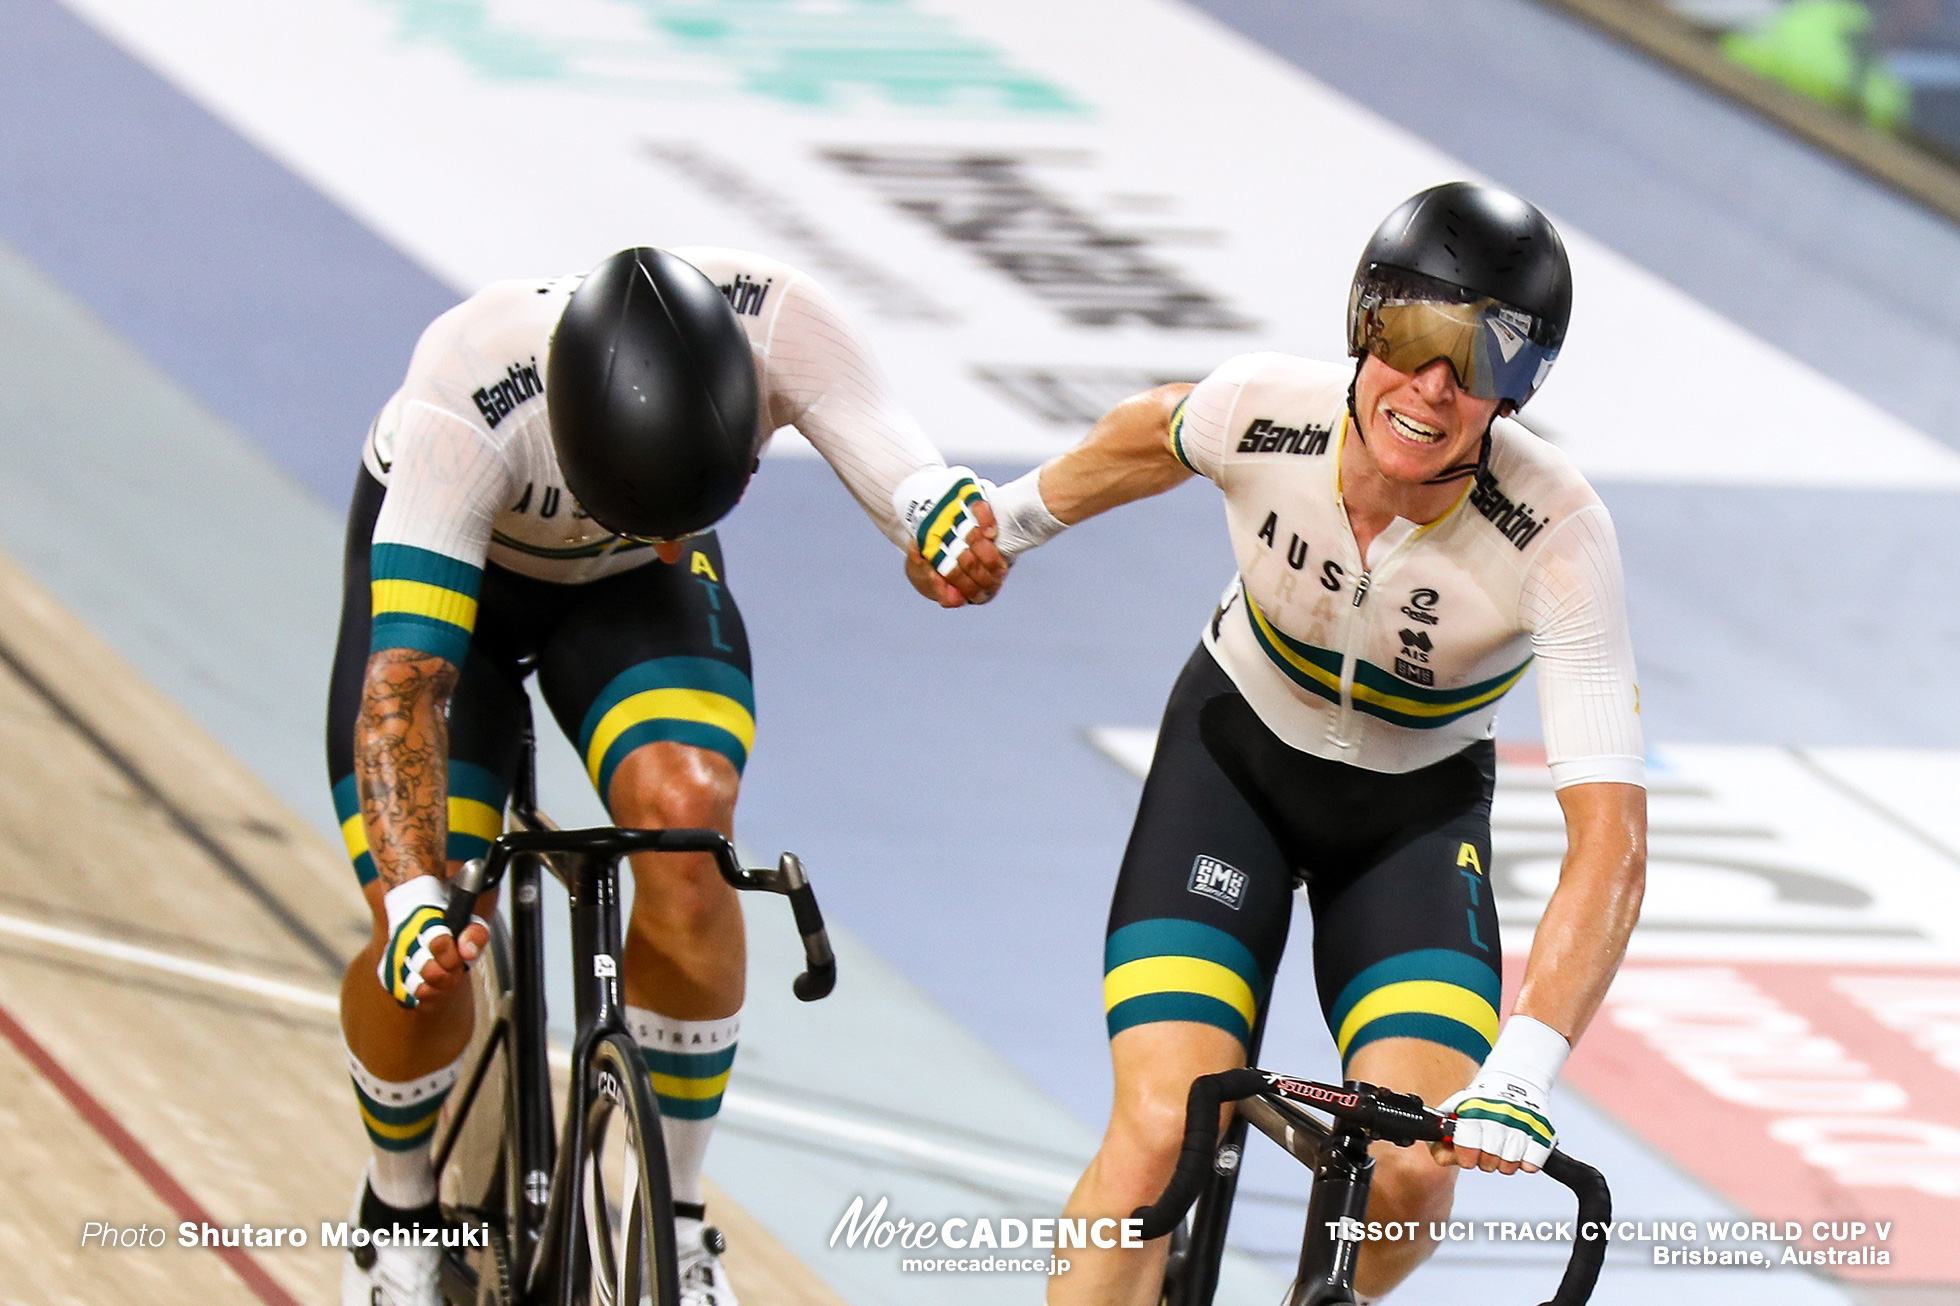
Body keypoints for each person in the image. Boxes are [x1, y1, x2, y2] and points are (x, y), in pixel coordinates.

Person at [984, 183, 1648, 1304]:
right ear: (1361, 323)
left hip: (1410, 821)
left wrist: (1525, 1071)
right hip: (1229, 771)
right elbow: (1153, 430)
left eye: (1482, 356)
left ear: (1522, 386)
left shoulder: (1558, 534)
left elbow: (1611, 842)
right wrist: (1008, 521)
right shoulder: (1263, 408)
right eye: (1413, 336)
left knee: (1407, 1178)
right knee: (1157, 1133)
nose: (1434, 387)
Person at [325, 246, 1004, 1306]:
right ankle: (397, 1208)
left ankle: (672, 1222)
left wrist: (947, 525)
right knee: (430, 920)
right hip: (465, 583)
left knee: (688, 821)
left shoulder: (780, 324)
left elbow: (913, 477)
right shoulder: (465, 396)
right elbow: (404, 691)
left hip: (634, 588)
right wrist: (414, 897)